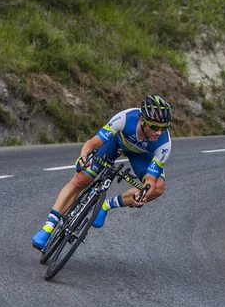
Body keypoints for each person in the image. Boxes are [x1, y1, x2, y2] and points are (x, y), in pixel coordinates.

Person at [31, 94, 173, 251]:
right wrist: (83, 158)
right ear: (141, 120)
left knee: (157, 188)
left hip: (142, 155)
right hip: (115, 143)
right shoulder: (125, 118)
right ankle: (47, 228)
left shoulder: (164, 144)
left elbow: (150, 181)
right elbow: (91, 143)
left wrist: (143, 194)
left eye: (163, 128)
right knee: (81, 179)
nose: (159, 132)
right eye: (154, 127)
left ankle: (105, 205)